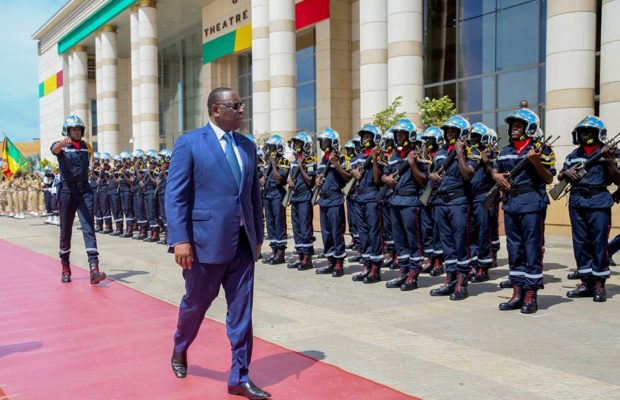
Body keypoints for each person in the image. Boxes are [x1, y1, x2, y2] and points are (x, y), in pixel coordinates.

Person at [167, 87, 270, 400]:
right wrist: (180, 240)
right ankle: (180, 346)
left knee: (242, 313)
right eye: (235, 105)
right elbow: (176, 195)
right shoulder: (190, 143)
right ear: (215, 110)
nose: (241, 110)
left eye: (241, 104)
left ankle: (239, 376)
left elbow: (252, 196)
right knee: (195, 305)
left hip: (242, 244)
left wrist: (257, 238)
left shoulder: (248, 146)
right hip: (203, 246)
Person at [492, 108, 556, 313]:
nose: (513, 129)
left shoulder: (542, 149)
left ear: (529, 128)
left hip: (531, 202)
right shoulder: (505, 150)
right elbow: (496, 169)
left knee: (532, 248)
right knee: (514, 248)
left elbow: (548, 179)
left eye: (518, 126)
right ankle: (517, 291)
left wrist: (535, 161)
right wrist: (496, 176)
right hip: (511, 203)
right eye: (512, 126)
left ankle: (531, 293)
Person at [560, 116, 620, 302]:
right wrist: (565, 173)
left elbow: (618, 180)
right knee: (581, 243)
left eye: (588, 132)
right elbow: (561, 175)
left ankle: (599, 283)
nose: (584, 135)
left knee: (599, 243)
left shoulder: (611, 152)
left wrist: (609, 161)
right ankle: (586, 282)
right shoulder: (573, 155)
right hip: (577, 201)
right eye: (582, 131)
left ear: (597, 134)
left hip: (598, 200)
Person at [50, 115, 106, 285]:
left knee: (89, 227)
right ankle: (65, 267)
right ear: (67, 131)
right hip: (67, 190)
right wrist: (62, 142)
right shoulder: (62, 146)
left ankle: (94, 269)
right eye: (73, 129)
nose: (76, 131)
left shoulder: (86, 147)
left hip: (84, 191)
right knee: (65, 230)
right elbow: (54, 150)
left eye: (78, 129)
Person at [428, 115, 478, 301]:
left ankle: (461, 283)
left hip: (458, 202)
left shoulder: (471, 151)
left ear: (461, 133)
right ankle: (449, 279)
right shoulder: (440, 152)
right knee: (446, 244)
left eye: (453, 130)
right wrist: (432, 176)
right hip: (441, 202)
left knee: (460, 243)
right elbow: (431, 172)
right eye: (447, 130)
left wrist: (459, 153)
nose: (449, 133)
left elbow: (468, 175)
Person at [382, 119, 428, 291]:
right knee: (399, 239)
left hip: (411, 202)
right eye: (397, 134)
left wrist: (413, 164)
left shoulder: (418, 155)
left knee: (413, 239)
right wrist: (386, 179)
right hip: (395, 201)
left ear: (410, 136)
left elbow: (423, 181)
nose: (399, 137)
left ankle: (414, 274)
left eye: (402, 134)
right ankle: (403, 271)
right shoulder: (394, 156)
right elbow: (384, 176)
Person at [286, 131, 317, 271]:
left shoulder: (311, 161)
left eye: (299, 143)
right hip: (295, 197)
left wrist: (301, 167)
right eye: (295, 143)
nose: (296, 145)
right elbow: (292, 178)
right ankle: (300, 256)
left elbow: (310, 182)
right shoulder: (293, 162)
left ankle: (307, 258)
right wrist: (289, 182)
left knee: (305, 229)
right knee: (296, 229)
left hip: (305, 197)